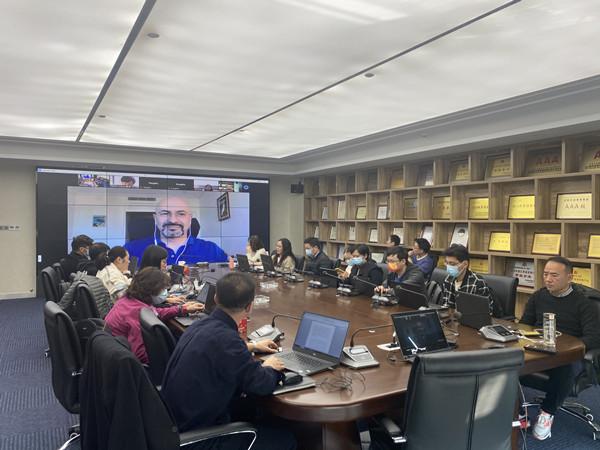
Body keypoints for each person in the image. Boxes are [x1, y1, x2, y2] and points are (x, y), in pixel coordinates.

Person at [161, 272, 296, 450]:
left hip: (174, 423)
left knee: (253, 410)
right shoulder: (228, 341)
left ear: (215, 298)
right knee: (286, 440)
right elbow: (261, 384)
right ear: (249, 307)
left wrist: (253, 346)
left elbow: (217, 349)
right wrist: (270, 368)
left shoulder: (199, 326)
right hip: (197, 438)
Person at [520, 257, 600, 441]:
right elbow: (524, 325)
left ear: (569, 277)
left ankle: (547, 413)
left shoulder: (583, 303)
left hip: (569, 355)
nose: (548, 279)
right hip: (540, 349)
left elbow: (594, 337)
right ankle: (518, 413)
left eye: (554, 275)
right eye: (545, 274)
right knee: (510, 360)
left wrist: (567, 347)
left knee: (566, 366)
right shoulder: (538, 296)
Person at [104, 267, 204, 364]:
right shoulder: (136, 312)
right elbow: (141, 355)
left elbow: (154, 312)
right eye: (162, 289)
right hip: (130, 364)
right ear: (151, 290)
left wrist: (182, 309)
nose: (164, 293)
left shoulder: (128, 300)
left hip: (116, 354)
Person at [124, 196, 228, 265]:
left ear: (190, 219)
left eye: (181, 214)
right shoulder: (130, 250)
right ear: (155, 219)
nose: (173, 220)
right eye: (165, 213)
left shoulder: (212, 250)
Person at [439, 244, 493, 312]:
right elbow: (446, 306)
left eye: (452, 264)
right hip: (453, 317)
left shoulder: (478, 283)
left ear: (465, 264)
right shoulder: (448, 279)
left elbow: (486, 312)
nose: (448, 266)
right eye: (447, 263)